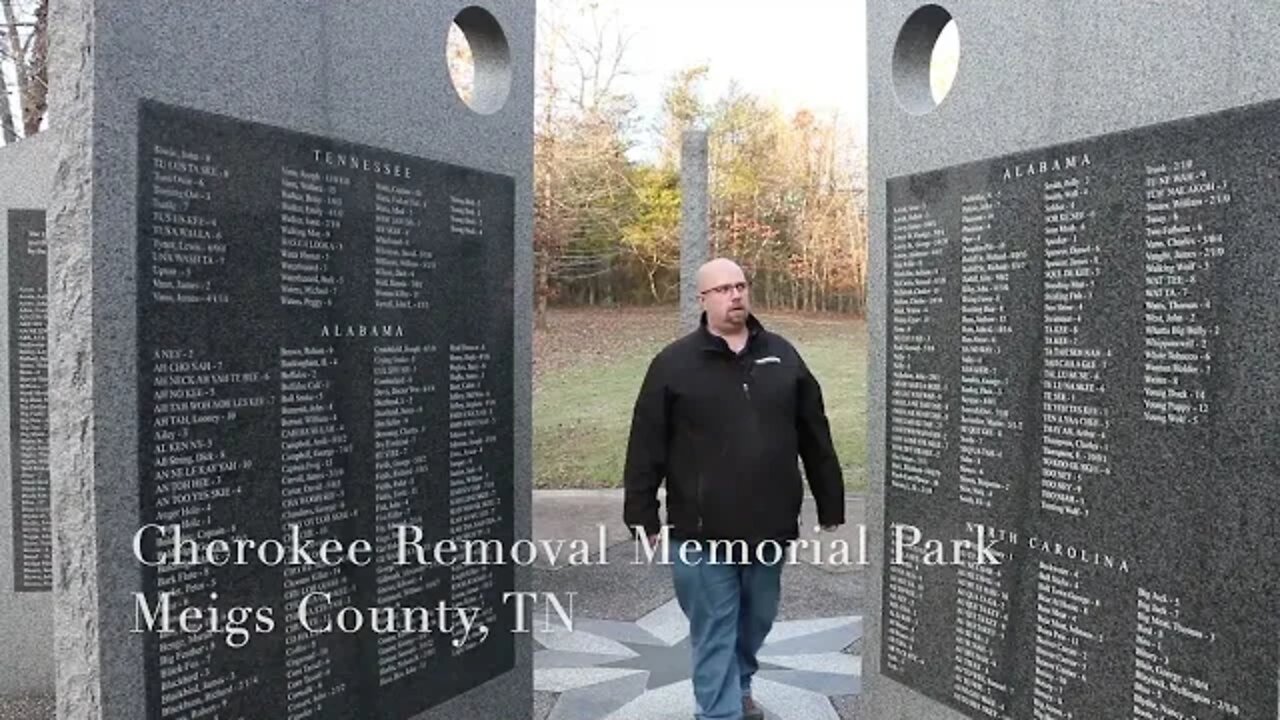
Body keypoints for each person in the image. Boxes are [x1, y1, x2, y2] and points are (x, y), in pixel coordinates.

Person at [623, 257, 845, 720]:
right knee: (716, 628)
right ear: (702, 299)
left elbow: (813, 431)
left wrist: (830, 501)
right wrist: (641, 513)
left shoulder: (783, 355)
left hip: (769, 527)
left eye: (741, 285)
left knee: (756, 620)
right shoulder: (673, 363)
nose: (735, 295)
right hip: (701, 531)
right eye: (722, 288)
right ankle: (719, 712)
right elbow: (646, 443)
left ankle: (739, 686)